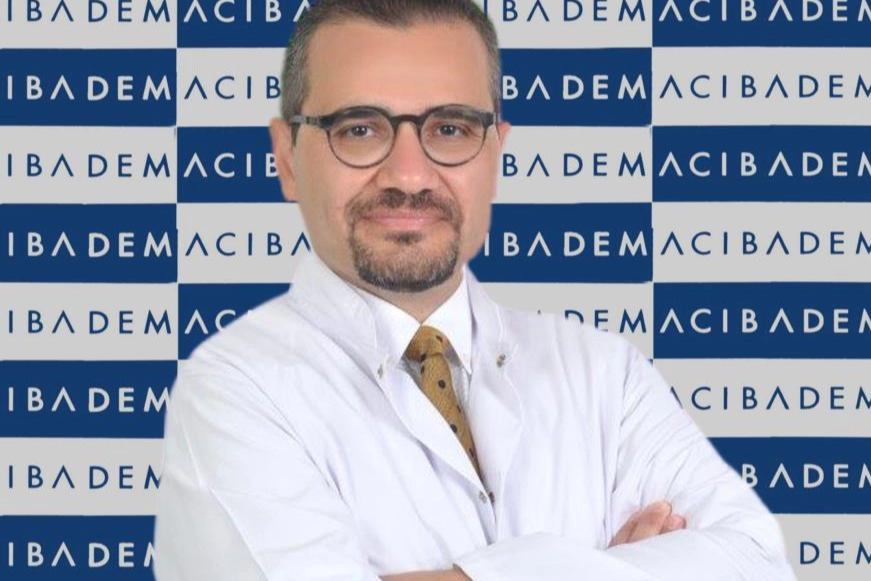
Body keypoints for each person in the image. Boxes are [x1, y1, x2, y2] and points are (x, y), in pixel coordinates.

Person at [154, 1, 797, 579]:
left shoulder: (605, 375)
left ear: (496, 151)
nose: (409, 174)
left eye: (450, 129)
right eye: (359, 129)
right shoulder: (233, 391)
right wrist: (601, 567)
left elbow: (758, 565)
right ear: (287, 157)